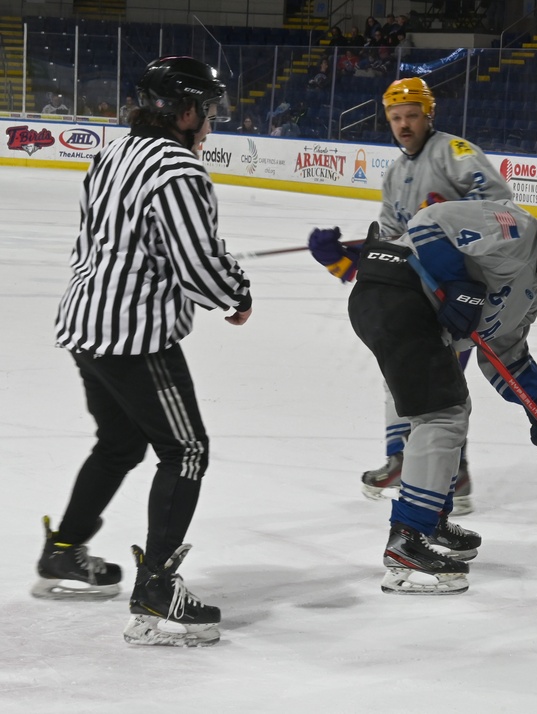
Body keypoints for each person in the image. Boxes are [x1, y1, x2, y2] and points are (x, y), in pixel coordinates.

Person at [37, 56, 250, 647]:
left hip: (86, 324)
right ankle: (157, 588)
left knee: (120, 443)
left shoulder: (113, 152)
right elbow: (198, 268)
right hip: (136, 337)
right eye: (206, 111)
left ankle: (63, 550)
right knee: (186, 450)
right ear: (184, 113)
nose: (210, 123)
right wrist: (236, 293)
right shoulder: (179, 170)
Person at [309, 183, 537, 595]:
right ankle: (407, 541)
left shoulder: (532, 291)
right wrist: (457, 283)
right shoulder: (515, 226)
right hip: (394, 291)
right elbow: (429, 225)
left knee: (449, 407)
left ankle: (427, 518)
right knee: (443, 413)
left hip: (406, 309)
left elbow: (505, 356)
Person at [310, 78, 513, 517]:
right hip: (417, 292)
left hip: (457, 291)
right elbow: (388, 243)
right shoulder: (395, 173)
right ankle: (406, 460)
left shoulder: (453, 153)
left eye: (412, 116)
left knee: (438, 387)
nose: (404, 125)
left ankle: (452, 474)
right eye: (396, 118)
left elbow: (500, 204)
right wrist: (343, 257)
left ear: (429, 114)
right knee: (404, 373)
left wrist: (449, 218)